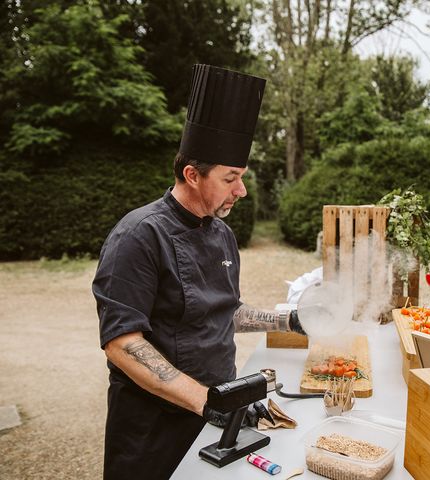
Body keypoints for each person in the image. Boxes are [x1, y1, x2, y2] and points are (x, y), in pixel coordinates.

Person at [92, 65, 305, 480]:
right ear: (192, 174)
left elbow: (227, 310)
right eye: (231, 178)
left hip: (217, 411)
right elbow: (121, 342)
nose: (240, 191)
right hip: (155, 427)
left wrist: (292, 320)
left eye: (241, 178)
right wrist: (203, 399)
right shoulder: (138, 235)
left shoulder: (222, 234)